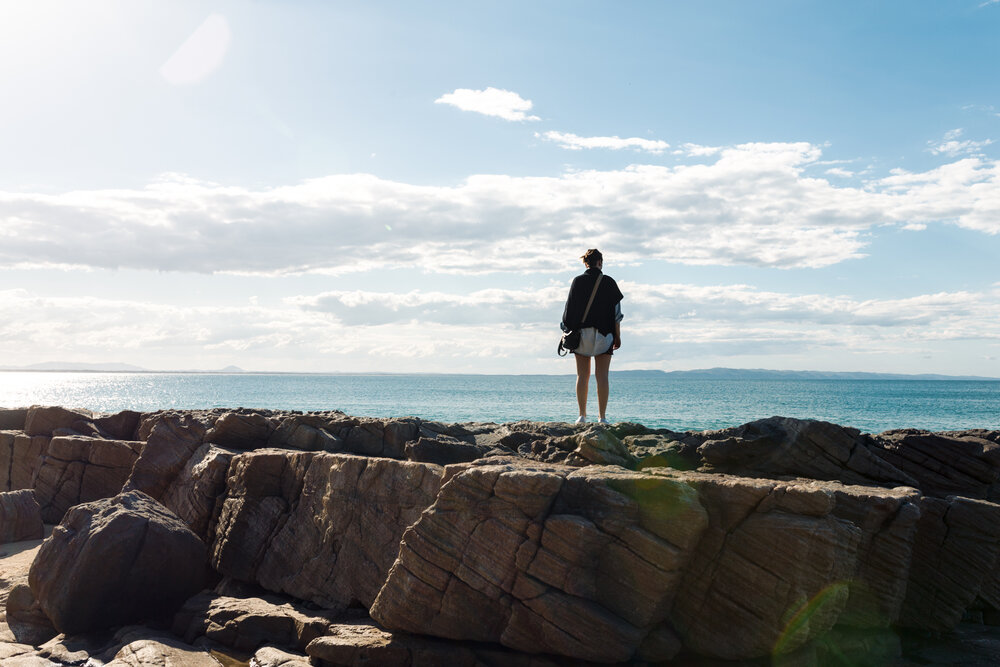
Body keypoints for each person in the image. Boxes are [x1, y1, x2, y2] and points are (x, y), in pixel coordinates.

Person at [560, 248, 623, 424]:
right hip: (604, 335)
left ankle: (582, 416)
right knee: (602, 376)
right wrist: (618, 336)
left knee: (582, 375)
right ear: (600, 262)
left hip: (581, 336)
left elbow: (568, 312)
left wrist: (565, 330)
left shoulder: (577, 281)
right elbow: (617, 314)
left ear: (585, 263)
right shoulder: (609, 282)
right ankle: (602, 418)